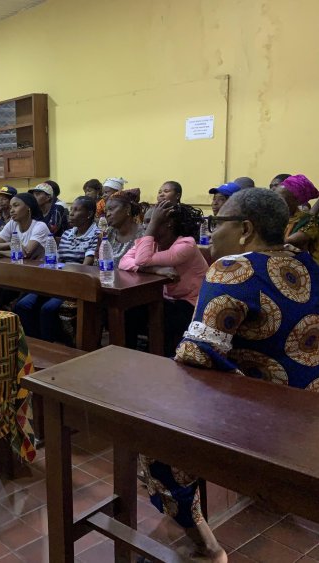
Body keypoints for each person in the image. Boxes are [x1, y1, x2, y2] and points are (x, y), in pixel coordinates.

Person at [142, 189, 319, 563]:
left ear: (245, 229)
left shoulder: (233, 269)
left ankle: (205, 545)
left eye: (217, 223)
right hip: (309, 405)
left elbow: (195, 354)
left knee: (154, 439)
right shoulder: (306, 262)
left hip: (271, 418)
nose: (212, 232)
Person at [119, 201, 209, 357]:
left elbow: (141, 260)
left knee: (163, 318)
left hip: (192, 303)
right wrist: (156, 270)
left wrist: (151, 228)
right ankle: (128, 357)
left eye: (151, 221)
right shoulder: (151, 244)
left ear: (168, 224)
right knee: (130, 310)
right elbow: (123, 261)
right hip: (167, 299)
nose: (145, 227)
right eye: (146, 222)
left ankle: (161, 360)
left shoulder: (186, 244)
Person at [14, 196, 100, 340]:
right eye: (71, 209)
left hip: (77, 281)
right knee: (22, 305)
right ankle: (35, 342)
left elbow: (87, 266)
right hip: (57, 278)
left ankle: (49, 345)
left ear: (89, 214)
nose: (71, 213)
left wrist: (64, 272)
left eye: (77, 210)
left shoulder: (96, 235)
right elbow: (57, 258)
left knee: (48, 309)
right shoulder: (67, 233)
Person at [0, 193, 51, 259]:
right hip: (23, 266)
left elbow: (25, 254)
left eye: (16, 206)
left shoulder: (40, 226)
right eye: (11, 207)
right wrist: (11, 244)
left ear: (28, 207)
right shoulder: (12, 224)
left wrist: (0, 253)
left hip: (46, 267)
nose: (11, 210)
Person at [274, 174, 319, 263]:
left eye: (281, 198)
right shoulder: (275, 218)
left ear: (297, 201)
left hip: (301, 268)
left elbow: (290, 241)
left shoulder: (309, 221)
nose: (276, 201)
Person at [102, 189, 145, 263]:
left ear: (127, 209)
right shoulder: (108, 233)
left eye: (111, 209)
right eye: (106, 211)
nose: (108, 214)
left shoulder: (143, 234)